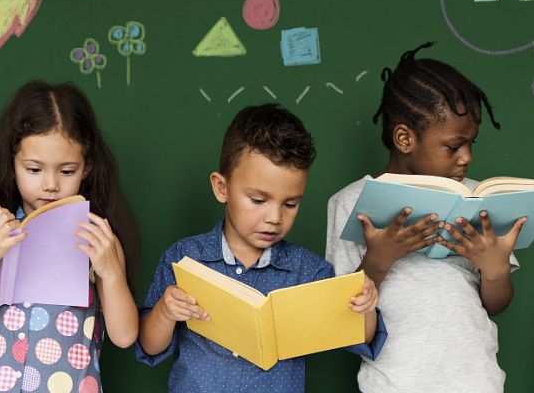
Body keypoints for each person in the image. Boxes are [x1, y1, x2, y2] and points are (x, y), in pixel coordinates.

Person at [136, 104, 385, 392]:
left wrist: (366, 306)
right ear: (221, 188)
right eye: (258, 200)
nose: (274, 217)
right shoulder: (184, 258)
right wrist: (165, 313)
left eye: (290, 204)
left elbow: (360, 337)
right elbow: (150, 347)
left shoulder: (310, 272)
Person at [325, 42, 525, 392]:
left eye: (471, 144)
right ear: (405, 138)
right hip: (395, 384)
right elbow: (344, 318)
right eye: (453, 146)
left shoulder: (476, 200)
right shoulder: (350, 204)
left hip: (477, 381)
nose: (467, 157)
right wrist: (378, 260)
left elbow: (496, 304)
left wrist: (495, 269)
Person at [0, 81, 139, 392]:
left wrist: (111, 272)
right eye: (34, 170)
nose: (51, 184)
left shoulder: (98, 238)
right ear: (12, 163)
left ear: (87, 167)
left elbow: (125, 335)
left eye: (67, 171)